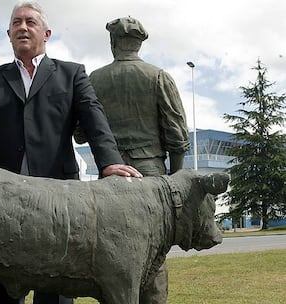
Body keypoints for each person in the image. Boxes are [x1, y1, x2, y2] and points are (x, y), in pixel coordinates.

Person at [0, 2, 142, 304]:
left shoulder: (72, 75)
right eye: (16, 22)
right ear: (8, 33)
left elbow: (94, 116)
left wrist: (111, 163)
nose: (23, 27)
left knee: (56, 292)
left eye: (30, 22)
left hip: (58, 204)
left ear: (46, 33)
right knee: (2, 287)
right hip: (2, 202)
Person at [76, 17, 190, 304]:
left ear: (113, 43)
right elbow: (177, 137)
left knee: (112, 254)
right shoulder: (158, 77)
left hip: (110, 179)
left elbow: (79, 133)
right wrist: (173, 180)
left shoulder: (94, 80)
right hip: (151, 177)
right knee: (153, 256)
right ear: (139, 44)